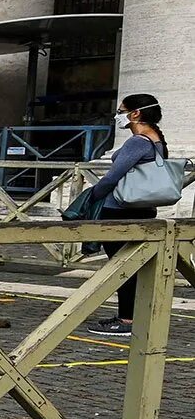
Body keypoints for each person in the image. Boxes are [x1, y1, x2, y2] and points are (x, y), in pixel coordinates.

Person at [73, 93, 169, 334]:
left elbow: (113, 177)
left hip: (120, 209)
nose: (118, 116)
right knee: (134, 265)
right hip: (144, 210)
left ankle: (127, 320)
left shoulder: (138, 142)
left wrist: (91, 196)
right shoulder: (157, 140)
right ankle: (136, 316)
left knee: (121, 266)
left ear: (135, 113)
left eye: (122, 110)